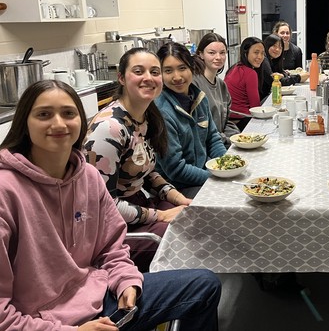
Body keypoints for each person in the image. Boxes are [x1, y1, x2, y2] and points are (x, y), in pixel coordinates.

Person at [0, 80, 221, 330]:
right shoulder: (6, 191)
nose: (59, 123)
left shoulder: (88, 176)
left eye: (68, 113)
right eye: (44, 114)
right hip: (40, 321)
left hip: (98, 296)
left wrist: (125, 280)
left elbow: (111, 246)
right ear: (24, 123)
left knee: (204, 286)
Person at [84, 48, 190, 272]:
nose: (148, 78)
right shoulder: (109, 129)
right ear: (121, 78)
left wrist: (179, 199)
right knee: (179, 234)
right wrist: (160, 215)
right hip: (111, 230)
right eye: (139, 71)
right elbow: (105, 206)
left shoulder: (146, 117)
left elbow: (147, 172)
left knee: (190, 215)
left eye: (155, 72)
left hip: (137, 206)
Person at [155, 42, 227, 198]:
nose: (177, 77)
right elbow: (176, 169)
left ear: (191, 68)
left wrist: (227, 164)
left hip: (203, 175)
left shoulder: (200, 98)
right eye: (168, 71)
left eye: (182, 68)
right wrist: (216, 178)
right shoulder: (161, 112)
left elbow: (212, 139)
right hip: (176, 187)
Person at [193, 32, 240, 147]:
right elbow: (198, 128)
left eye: (222, 53)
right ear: (201, 54)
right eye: (212, 53)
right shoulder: (194, 83)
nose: (218, 57)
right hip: (205, 147)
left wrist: (235, 136)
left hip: (221, 143)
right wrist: (226, 139)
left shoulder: (221, 85)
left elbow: (226, 121)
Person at [224, 36, 265, 130]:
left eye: (262, 53)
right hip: (241, 120)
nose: (260, 57)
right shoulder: (250, 73)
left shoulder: (234, 67)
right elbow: (255, 107)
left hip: (228, 119)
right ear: (245, 53)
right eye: (256, 52)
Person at [260, 33, 309, 99]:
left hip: (270, 95)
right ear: (267, 46)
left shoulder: (274, 60)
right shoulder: (263, 59)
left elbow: (282, 73)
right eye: (274, 46)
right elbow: (275, 82)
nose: (277, 49)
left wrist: (283, 75)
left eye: (280, 47)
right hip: (263, 99)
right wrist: (299, 78)